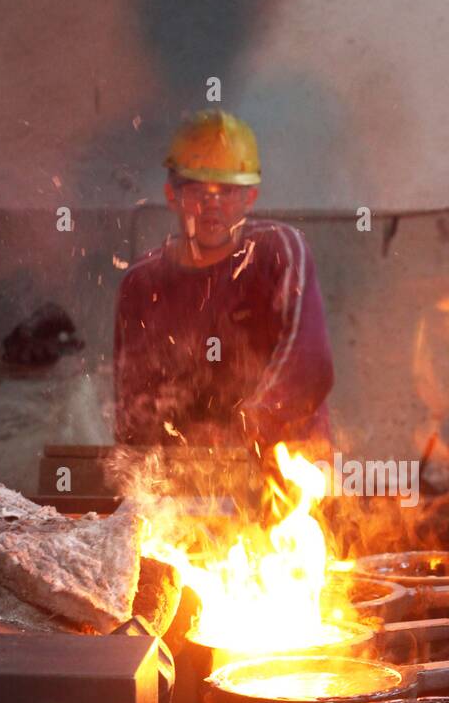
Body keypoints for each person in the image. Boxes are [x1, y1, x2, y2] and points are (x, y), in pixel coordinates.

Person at [114, 109, 333, 452]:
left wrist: (250, 427)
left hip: (286, 474)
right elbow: (136, 402)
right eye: (198, 191)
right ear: (172, 196)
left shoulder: (279, 252)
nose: (212, 206)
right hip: (187, 481)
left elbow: (309, 361)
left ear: (251, 197)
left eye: (227, 192)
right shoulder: (142, 283)